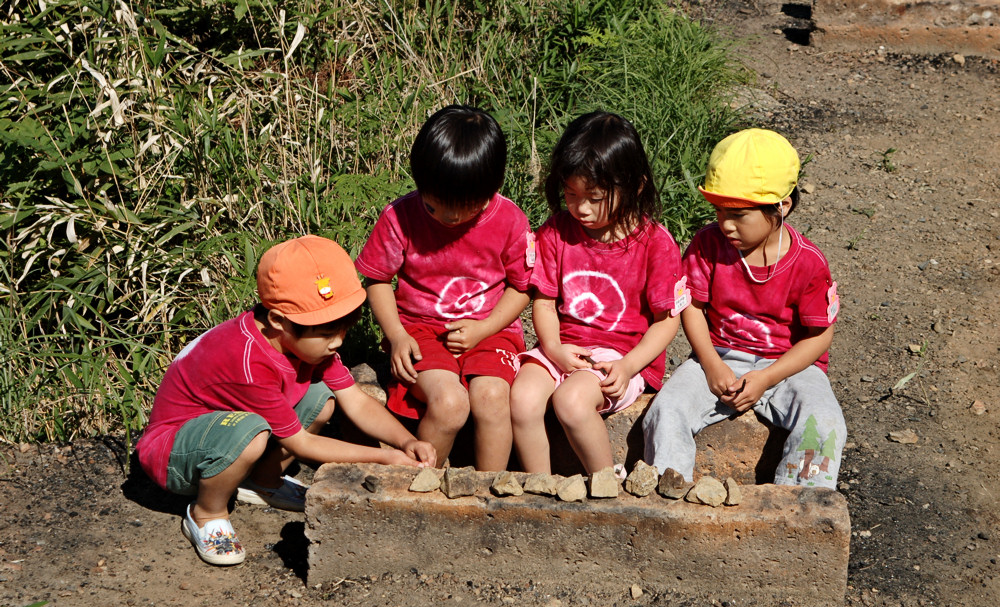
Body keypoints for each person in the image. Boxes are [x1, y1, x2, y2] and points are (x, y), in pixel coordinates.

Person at [136, 235, 436, 566]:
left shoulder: (306, 342)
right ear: (279, 321)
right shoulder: (249, 361)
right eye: (326, 331)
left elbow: (355, 401)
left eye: (343, 328)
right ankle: (206, 513)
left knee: (322, 396)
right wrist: (385, 459)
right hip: (173, 453)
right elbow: (301, 444)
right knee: (249, 432)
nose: (338, 341)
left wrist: (405, 440)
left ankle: (263, 482)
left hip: (223, 429)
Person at [642, 128, 846, 488]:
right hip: (720, 355)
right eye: (719, 211)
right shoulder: (708, 244)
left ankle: (801, 503)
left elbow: (819, 334)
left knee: (825, 421)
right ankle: (667, 494)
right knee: (665, 409)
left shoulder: (809, 263)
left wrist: (768, 377)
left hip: (788, 366)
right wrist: (710, 363)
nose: (725, 224)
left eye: (739, 214)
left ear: (781, 206)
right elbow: (692, 306)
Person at [355, 105, 532, 471]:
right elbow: (377, 279)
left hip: (492, 330)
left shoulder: (510, 220)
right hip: (421, 330)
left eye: (464, 209)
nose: (449, 218)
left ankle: (489, 492)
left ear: (491, 190)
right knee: (450, 403)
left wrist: (484, 328)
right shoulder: (401, 216)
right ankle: (418, 486)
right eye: (434, 207)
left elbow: (522, 287)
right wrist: (397, 335)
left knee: (493, 397)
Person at [509, 111, 687, 475]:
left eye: (595, 197)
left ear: (635, 186)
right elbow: (543, 303)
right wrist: (554, 349)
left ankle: (605, 482)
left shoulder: (655, 244)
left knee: (572, 402)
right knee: (523, 398)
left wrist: (629, 365)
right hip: (564, 344)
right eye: (571, 194)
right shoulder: (557, 232)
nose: (581, 208)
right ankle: (537, 486)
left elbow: (667, 321)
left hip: (621, 355)